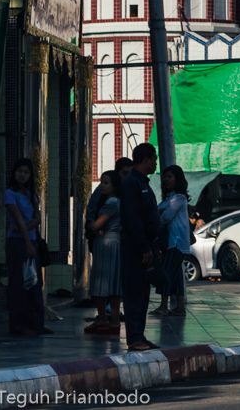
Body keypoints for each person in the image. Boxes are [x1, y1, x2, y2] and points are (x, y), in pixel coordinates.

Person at [118, 143, 161, 352]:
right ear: (145, 159)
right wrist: (143, 247)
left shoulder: (143, 183)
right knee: (134, 292)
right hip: (135, 248)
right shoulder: (132, 184)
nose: (156, 162)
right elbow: (133, 219)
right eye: (154, 158)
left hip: (147, 245)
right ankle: (134, 337)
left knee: (143, 293)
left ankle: (140, 335)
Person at [3, 158, 48, 335]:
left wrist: (27, 228)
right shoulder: (10, 193)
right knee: (18, 283)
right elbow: (19, 220)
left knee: (35, 283)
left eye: (26, 172)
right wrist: (27, 240)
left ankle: (36, 323)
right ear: (14, 173)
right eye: (20, 171)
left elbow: (37, 218)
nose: (22, 175)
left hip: (30, 239)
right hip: (18, 243)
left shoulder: (31, 194)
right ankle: (18, 325)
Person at [84, 168, 125, 336]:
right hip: (115, 242)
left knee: (101, 282)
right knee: (114, 282)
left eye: (106, 183)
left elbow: (96, 225)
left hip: (106, 243)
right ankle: (114, 320)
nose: (102, 186)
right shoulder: (117, 201)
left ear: (114, 185)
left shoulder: (111, 202)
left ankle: (102, 318)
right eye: (101, 182)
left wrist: (93, 226)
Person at [155, 166, 194, 317]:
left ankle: (164, 306)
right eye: (165, 177)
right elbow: (160, 209)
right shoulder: (169, 199)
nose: (166, 179)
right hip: (175, 242)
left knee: (166, 273)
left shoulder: (179, 198)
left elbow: (166, 216)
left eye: (170, 177)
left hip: (175, 242)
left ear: (177, 179)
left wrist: (156, 218)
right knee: (177, 275)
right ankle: (180, 307)